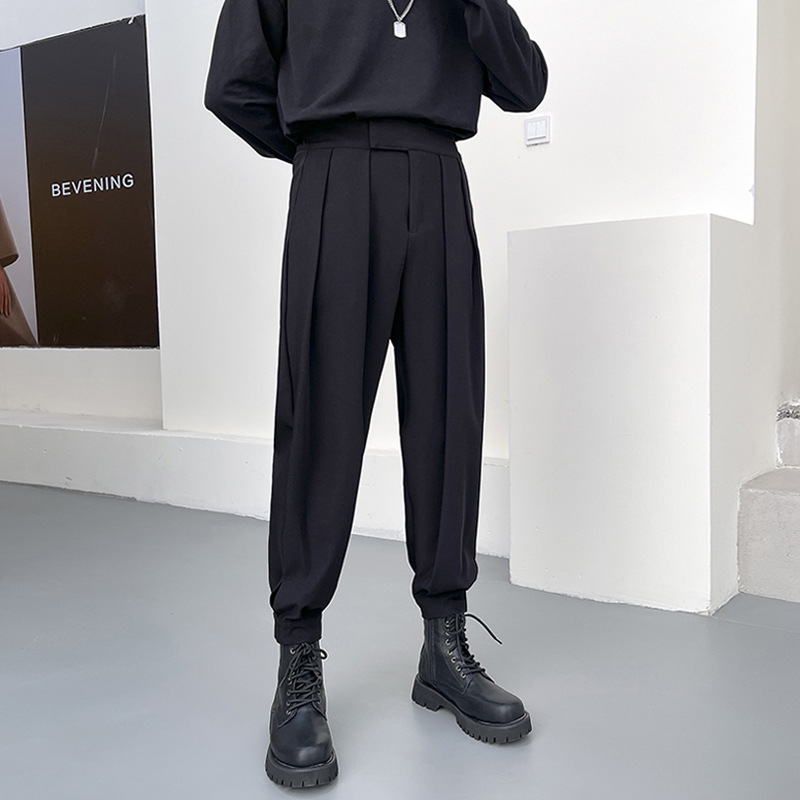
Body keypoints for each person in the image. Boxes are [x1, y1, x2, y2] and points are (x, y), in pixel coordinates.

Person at [204, 0, 547, 787]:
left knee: (449, 417)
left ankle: (444, 646)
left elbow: (524, 83)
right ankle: (298, 662)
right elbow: (233, 84)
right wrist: (315, 153)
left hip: (438, 173)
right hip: (333, 173)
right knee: (319, 425)